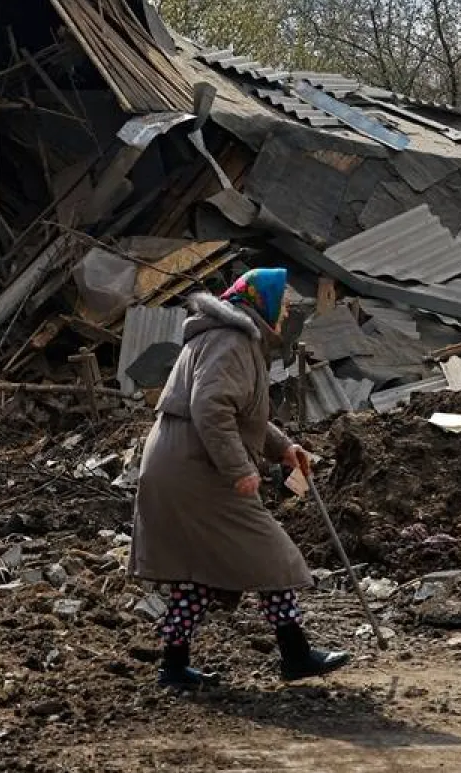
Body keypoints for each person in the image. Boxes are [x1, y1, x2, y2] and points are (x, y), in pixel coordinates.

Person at [129, 267, 352, 689]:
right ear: (262, 303)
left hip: (181, 463)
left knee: (197, 572)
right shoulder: (232, 340)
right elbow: (211, 408)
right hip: (197, 469)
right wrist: (239, 469)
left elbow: (241, 412)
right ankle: (296, 655)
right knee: (271, 555)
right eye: (283, 306)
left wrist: (283, 448)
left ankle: (173, 667)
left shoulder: (226, 336)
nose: (285, 315)